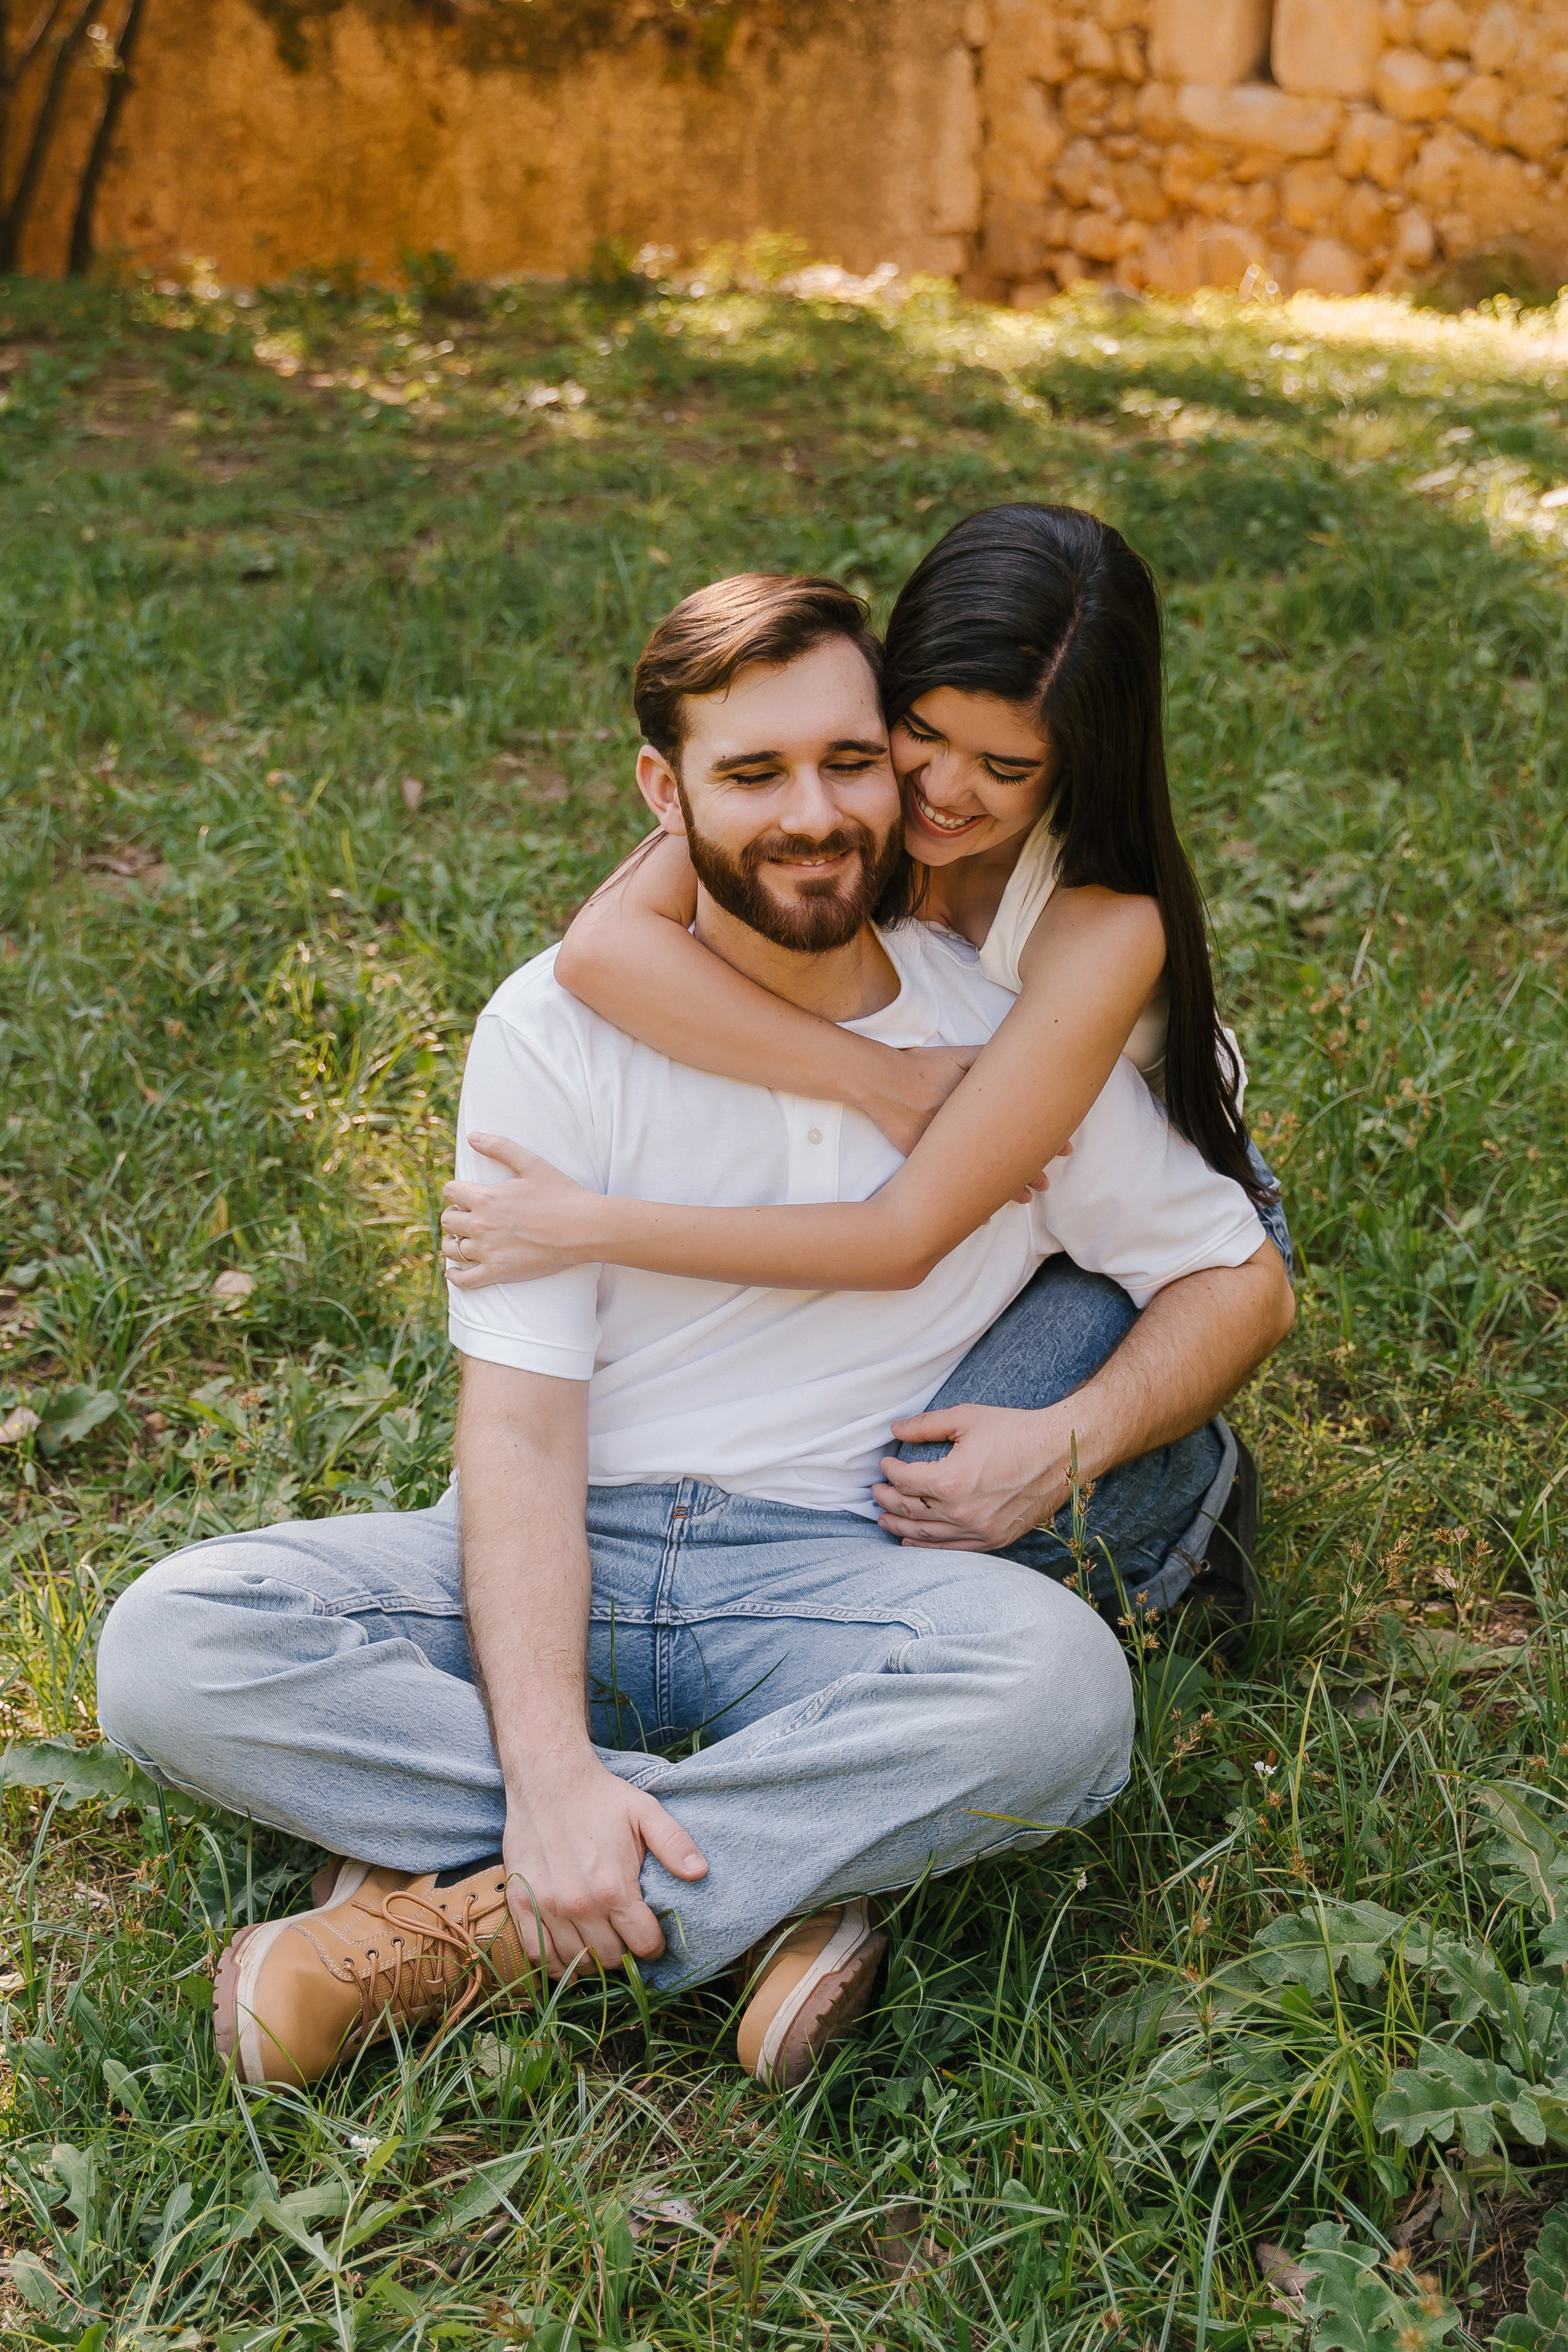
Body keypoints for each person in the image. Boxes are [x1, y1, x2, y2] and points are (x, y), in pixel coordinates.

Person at [95, 574, 1293, 2099]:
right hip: (565, 1553)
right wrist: (546, 1767)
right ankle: (763, 1875)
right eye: (752, 774)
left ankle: (459, 1924)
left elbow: (1228, 1273)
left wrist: (1073, 1432)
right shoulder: (555, 1028)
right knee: (176, 1644)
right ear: (665, 798)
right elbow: (520, 1426)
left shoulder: (1004, 1051)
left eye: (847, 763)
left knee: (1055, 1694)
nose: (814, 815)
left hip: (827, 1584)